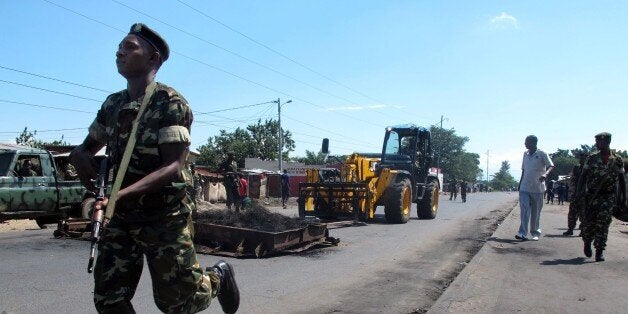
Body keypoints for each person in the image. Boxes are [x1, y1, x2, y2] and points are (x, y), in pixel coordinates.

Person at [69, 23, 239, 313]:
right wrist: (80, 157)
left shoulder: (170, 103)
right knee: (109, 298)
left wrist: (119, 195)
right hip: (120, 215)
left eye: (130, 47)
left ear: (153, 58)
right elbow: (88, 147)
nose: (120, 51)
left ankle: (219, 276)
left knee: (180, 302)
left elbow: (173, 166)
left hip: (163, 214)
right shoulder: (112, 104)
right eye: (120, 46)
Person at [575, 132, 625, 262]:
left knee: (603, 224)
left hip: (608, 197)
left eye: (599, 141)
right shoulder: (591, 158)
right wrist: (578, 192)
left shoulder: (617, 159)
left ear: (607, 142)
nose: (596, 144)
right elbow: (583, 176)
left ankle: (599, 250)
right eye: (596, 141)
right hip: (591, 196)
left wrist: (623, 198)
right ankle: (587, 242)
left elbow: (621, 179)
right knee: (588, 224)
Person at [516, 135, 554, 241]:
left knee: (536, 212)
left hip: (538, 188)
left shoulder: (542, 153)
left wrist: (545, 174)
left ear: (533, 143)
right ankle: (522, 233)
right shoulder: (525, 154)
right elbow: (523, 170)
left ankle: (535, 232)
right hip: (525, 187)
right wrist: (520, 184)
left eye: (526, 142)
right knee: (524, 210)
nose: (525, 144)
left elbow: (551, 166)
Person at [563, 153, 587, 236]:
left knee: (584, 214)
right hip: (575, 193)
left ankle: (583, 231)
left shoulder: (590, 169)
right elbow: (572, 179)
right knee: (572, 213)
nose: (580, 160)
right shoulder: (577, 168)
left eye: (583, 158)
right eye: (580, 159)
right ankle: (570, 229)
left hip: (585, 196)